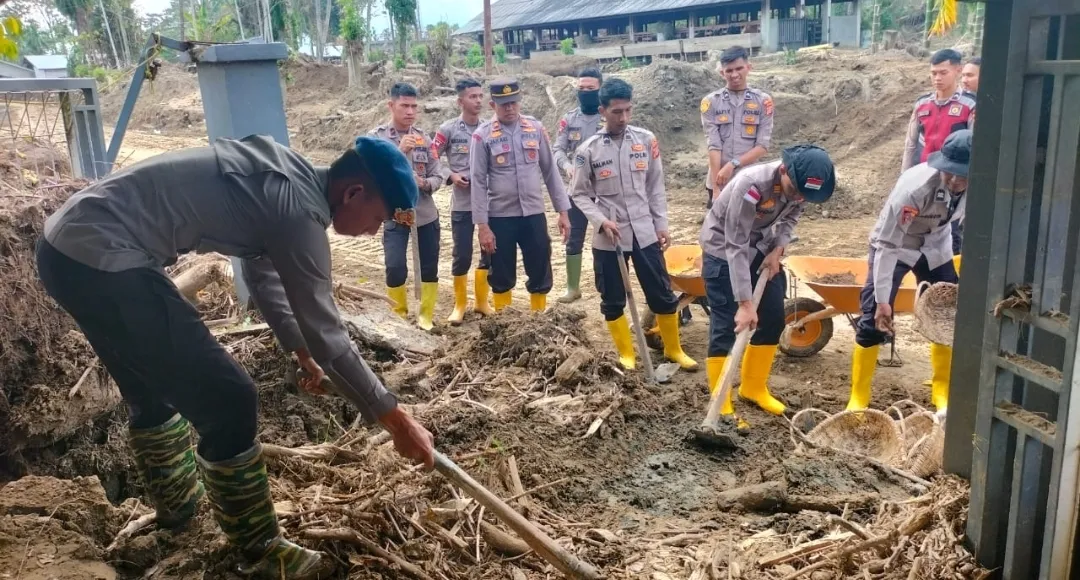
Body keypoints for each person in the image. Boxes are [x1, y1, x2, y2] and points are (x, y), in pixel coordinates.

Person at [35, 134, 436, 580]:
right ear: (354, 193)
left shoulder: (289, 180)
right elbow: (330, 334)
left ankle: (179, 519)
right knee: (229, 398)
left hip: (66, 250)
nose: (372, 231)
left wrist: (300, 351)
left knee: (152, 389)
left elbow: (264, 279)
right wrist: (396, 421)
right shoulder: (298, 212)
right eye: (377, 218)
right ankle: (262, 553)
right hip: (101, 257)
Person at [700, 145, 835, 424]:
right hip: (723, 252)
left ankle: (753, 387)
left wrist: (779, 249)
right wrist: (745, 304)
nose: (798, 197)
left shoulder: (801, 187)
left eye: (804, 195)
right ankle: (721, 403)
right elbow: (735, 244)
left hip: (761, 248)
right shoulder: (751, 185)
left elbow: (791, 217)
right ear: (784, 170)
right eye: (794, 190)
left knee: (773, 318)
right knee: (728, 326)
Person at [570, 78, 698, 371]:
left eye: (628, 110)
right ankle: (627, 355)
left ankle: (673, 350)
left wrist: (661, 223)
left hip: (645, 233)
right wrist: (601, 222)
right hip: (609, 238)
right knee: (613, 299)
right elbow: (578, 193)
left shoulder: (645, 140)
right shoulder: (587, 150)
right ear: (602, 110)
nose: (624, 118)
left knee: (662, 294)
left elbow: (655, 186)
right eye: (616, 112)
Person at [846, 130, 971, 414]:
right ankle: (859, 398)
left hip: (935, 245)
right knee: (872, 319)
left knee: (947, 314)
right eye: (949, 172)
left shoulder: (977, 185)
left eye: (961, 175)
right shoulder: (914, 191)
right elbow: (888, 245)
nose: (953, 180)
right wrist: (881, 301)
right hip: (896, 245)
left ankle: (942, 390)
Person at [470, 78, 571, 313]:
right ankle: (504, 324)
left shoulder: (535, 129)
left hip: (533, 214)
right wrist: (482, 226)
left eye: (514, 102)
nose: (510, 108)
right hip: (500, 217)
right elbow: (477, 182)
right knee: (501, 274)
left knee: (540, 269)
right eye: (504, 104)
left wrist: (563, 212)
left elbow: (550, 171)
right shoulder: (482, 135)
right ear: (492, 105)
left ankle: (537, 320)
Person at [370, 82, 445, 331]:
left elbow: (439, 175)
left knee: (428, 267)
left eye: (414, 106)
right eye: (404, 105)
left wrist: (424, 183)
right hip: (395, 215)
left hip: (424, 214)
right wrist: (399, 152)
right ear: (391, 105)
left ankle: (425, 316)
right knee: (395, 267)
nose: (410, 111)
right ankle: (399, 315)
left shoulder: (424, 138)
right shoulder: (377, 139)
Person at [433, 78, 494, 324]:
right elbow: (431, 156)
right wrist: (450, 175)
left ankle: (481, 302)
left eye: (480, 96)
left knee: (488, 251)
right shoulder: (448, 129)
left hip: (488, 203)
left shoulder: (490, 128)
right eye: (472, 96)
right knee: (462, 254)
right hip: (461, 204)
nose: (478, 101)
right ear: (460, 101)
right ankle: (460, 304)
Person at [700, 45, 775, 211]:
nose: (734, 75)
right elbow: (714, 145)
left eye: (739, 68)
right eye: (729, 70)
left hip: (749, 179)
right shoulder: (711, 102)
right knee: (716, 231)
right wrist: (716, 188)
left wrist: (732, 165)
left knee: (748, 227)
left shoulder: (763, 102)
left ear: (748, 67)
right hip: (719, 179)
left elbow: (762, 147)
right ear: (722, 73)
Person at [553, 67, 605, 304]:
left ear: (600, 89)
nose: (585, 92)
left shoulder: (608, 117)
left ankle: (605, 286)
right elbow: (558, 149)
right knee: (573, 239)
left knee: (603, 239)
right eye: (581, 88)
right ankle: (573, 288)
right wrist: (566, 166)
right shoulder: (569, 119)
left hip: (604, 191)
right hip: (576, 191)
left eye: (590, 89)